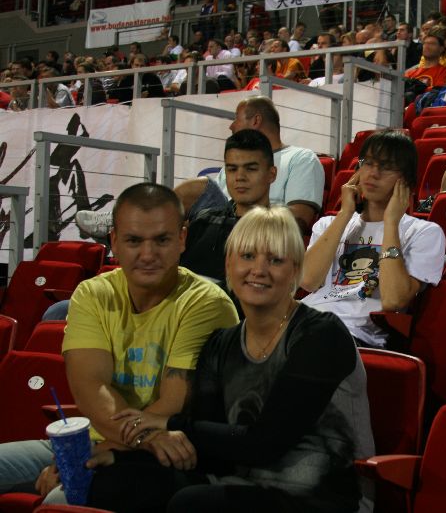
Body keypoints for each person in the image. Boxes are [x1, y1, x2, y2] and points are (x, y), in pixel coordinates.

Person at [84, 205, 375, 512]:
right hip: (242, 484)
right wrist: (126, 457)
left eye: (275, 260)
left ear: (295, 270)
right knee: (115, 483)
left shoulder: (321, 334)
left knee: (192, 504)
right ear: (228, 263)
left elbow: (265, 443)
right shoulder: (221, 344)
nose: (258, 270)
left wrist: (166, 422)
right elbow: (209, 448)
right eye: (247, 256)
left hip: (327, 497)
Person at [0, 183, 239, 504]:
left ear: (183, 238)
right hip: (102, 440)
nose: (148, 255)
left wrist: (91, 457)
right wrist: (84, 453)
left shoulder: (206, 303)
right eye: (134, 241)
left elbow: (173, 404)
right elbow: (91, 388)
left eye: (162, 240)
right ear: (114, 241)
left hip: (161, 452)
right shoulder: (93, 294)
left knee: (62, 499)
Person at [77, 97, 324, 237]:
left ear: (256, 120)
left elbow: (300, 219)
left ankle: (123, 222)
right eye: (234, 169)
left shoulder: (301, 158)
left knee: (198, 188)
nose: (231, 126)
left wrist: (250, 216)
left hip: (257, 229)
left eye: (236, 119)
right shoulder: (229, 169)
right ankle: (128, 227)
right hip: (218, 225)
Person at [300, 130, 445, 349]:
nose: (374, 173)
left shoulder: (424, 232)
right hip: (303, 321)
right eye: (367, 163)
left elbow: (393, 300)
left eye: (386, 166)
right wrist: (345, 213)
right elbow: (308, 281)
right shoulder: (329, 224)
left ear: (406, 181)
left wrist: (391, 224)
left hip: (354, 335)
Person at [180, 129, 276, 284]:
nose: (240, 177)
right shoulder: (203, 221)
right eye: (232, 169)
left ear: (271, 174)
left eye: (251, 169)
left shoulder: (281, 232)